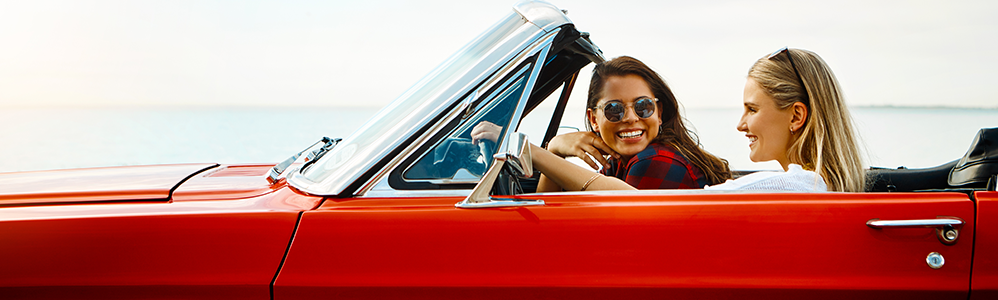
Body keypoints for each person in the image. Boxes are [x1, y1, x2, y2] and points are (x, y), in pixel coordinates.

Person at [524, 56, 731, 191]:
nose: (631, 117)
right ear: (594, 119)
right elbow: (550, 212)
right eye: (614, 109)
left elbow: (622, 206)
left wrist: (536, 153)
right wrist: (554, 150)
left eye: (643, 106)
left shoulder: (654, 161)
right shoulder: (619, 163)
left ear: (659, 113)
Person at [706, 48, 865, 192]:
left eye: (752, 109)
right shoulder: (829, 186)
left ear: (796, 116)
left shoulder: (789, 187)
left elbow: (696, 203)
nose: (740, 125)